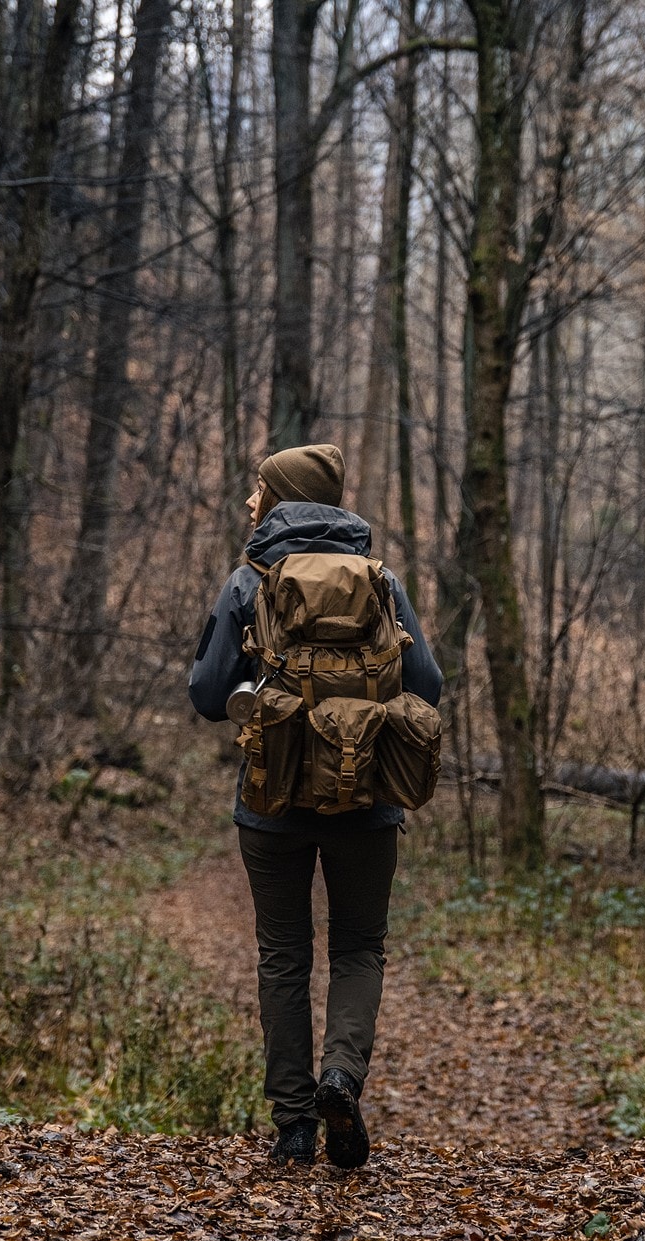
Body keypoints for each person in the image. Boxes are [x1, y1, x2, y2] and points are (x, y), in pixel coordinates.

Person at [188, 443, 443, 1169]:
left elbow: (208, 697)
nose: (249, 502)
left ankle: (295, 1126)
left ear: (282, 497)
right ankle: (342, 1077)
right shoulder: (382, 582)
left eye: (257, 488)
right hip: (367, 802)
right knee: (359, 947)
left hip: (272, 802)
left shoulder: (250, 580)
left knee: (284, 956)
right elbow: (427, 682)